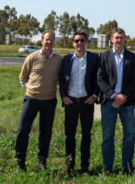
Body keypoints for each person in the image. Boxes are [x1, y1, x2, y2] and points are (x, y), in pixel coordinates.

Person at [15, 31, 62, 172]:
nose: (49, 42)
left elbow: (61, 78)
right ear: (42, 41)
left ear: (54, 42)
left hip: (49, 101)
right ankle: (20, 162)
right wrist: (30, 88)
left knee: (45, 132)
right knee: (23, 130)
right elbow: (22, 78)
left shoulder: (59, 59)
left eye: (51, 40)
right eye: (47, 39)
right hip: (31, 100)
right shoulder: (32, 57)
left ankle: (42, 161)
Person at [97, 27, 135, 174]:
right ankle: (108, 166)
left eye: (121, 37)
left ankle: (127, 165)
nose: (119, 40)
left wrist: (123, 97)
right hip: (109, 103)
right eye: (116, 37)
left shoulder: (131, 57)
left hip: (126, 103)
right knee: (108, 136)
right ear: (111, 39)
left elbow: (134, 80)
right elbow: (100, 80)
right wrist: (114, 96)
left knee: (129, 135)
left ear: (124, 39)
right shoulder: (104, 56)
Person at [59, 31, 99, 173]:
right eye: (76, 41)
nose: (79, 43)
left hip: (87, 102)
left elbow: (97, 79)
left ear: (87, 42)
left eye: (82, 40)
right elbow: (62, 80)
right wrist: (63, 96)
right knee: (70, 135)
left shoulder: (94, 58)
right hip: (71, 103)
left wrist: (94, 95)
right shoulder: (67, 59)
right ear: (73, 43)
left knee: (86, 135)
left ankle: (84, 166)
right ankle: (69, 165)